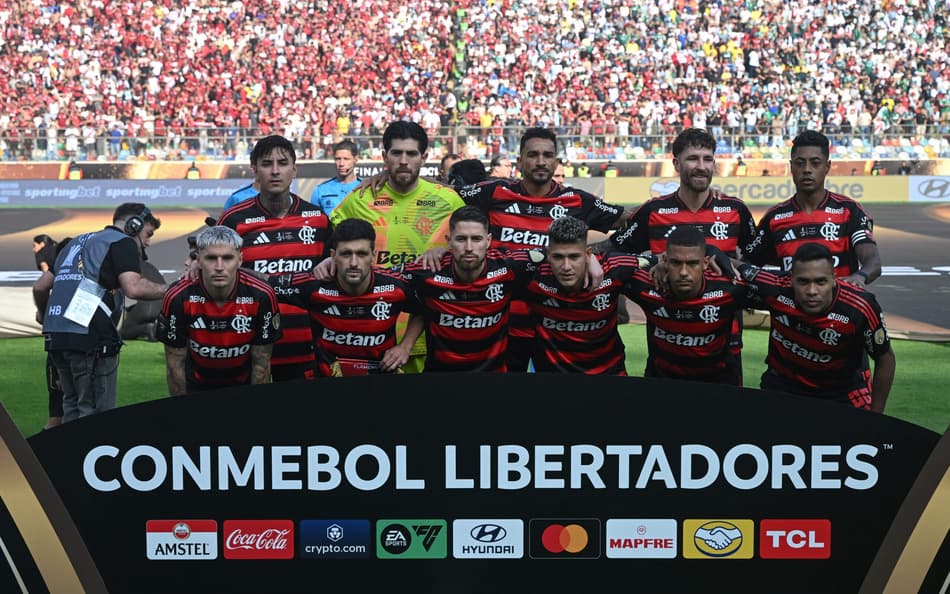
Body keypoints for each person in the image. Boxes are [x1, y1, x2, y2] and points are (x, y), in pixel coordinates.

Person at [454, 127, 633, 372]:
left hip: (555, 329)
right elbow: (445, 194)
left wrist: (595, 256)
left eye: (547, 155)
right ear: (520, 161)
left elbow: (630, 220)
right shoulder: (494, 192)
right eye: (533, 155)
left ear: (556, 161)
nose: (540, 161)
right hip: (504, 326)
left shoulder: (577, 200)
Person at [609, 128, 757, 378]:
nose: (701, 166)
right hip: (666, 346)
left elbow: (757, 262)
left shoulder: (736, 209)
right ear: (676, 163)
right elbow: (614, 255)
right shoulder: (654, 211)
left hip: (725, 348)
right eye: (693, 159)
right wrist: (652, 262)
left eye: (707, 159)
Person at [328, 121, 466, 373]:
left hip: (431, 331)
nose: (403, 160)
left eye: (411, 154)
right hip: (371, 331)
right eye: (396, 153)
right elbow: (333, 244)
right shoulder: (360, 198)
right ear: (384, 156)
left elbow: (475, 244)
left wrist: (447, 250)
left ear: (424, 157)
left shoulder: (448, 200)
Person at [32, 203, 168, 422]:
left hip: (56, 336)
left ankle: (69, 455)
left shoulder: (75, 243)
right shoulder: (122, 242)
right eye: (148, 234)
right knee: (95, 417)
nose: (148, 242)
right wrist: (174, 289)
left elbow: (40, 287)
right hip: (91, 338)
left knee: (71, 406)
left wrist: (43, 312)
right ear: (134, 225)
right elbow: (133, 287)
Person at [217, 134, 332, 381]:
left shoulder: (319, 219)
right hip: (246, 346)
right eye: (267, 164)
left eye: (283, 163)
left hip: (305, 349)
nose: (275, 171)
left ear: (294, 169)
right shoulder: (233, 220)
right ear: (255, 170)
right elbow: (217, 275)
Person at [738, 243, 895, 412]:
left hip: (841, 391)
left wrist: (876, 416)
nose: (812, 291)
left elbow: (885, 359)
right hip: (783, 385)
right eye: (803, 281)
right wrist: (712, 251)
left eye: (821, 282)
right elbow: (733, 264)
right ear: (791, 279)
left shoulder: (861, 307)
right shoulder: (774, 287)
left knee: (859, 436)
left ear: (834, 279)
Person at [269, 219, 423, 376]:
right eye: (346, 254)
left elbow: (423, 308)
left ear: (373, 257)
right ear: (333, 256)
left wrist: (405, 346)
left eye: (362, 254)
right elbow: (263, 284)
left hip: (381, 381)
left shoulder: (397, 286)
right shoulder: (314, 286)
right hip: (328, 383)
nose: (354, 263)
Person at [400, 206, 537, 372]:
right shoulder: (426, 272)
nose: (469, 247)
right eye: (461, 239)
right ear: (448, 241)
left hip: (493, 378)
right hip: (439, 378)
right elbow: (377, 277)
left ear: (488, 241)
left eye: (477, 239)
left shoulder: (510, 267)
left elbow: (555, 256)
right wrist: (404, 346)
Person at [744, 130, 881, 288]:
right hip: (791, 309)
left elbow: (873, 261)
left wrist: (860, 276)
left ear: (827, 167)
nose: (807, 169)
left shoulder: (849, 211)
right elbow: (749, 264)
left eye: (815, 163)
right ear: (791, 167)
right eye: (800, 163)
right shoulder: (775, 217)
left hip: (840, 309)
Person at [520, 216, 655, 375]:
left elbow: (663, 262)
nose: (566, 267)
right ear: (548, 254)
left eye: (574, 257)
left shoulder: (614, 268)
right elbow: (495, 259)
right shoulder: (532, 272)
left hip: (609, 377)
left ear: (587, 253)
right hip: (552, 381)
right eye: (558, 257)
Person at [157, 226, 281, 395]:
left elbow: (261, 363)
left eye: (228, 258)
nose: (219, 267)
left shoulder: (262, 295)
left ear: (240, 260)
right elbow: (174, 365)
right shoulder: (178, 296)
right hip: (197, 388)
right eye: (211, 258)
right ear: (198, 260)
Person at [624, 226, 754, 384]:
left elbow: (780, 286)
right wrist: (652, 260)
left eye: (692, 263)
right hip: (662, 382)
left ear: (706, 263)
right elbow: (607, 266)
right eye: (675, 263)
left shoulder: (731, 287)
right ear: (664, 261)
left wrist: (719, 253)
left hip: (718, 384)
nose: (684, 272)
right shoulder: (646, 284)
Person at [310, 139, 361, 215]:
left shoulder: (365, 187)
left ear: (355, 159)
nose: (341, 163)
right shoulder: (321, 190)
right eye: (338, 159)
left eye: (346, 159)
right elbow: (314, 221)